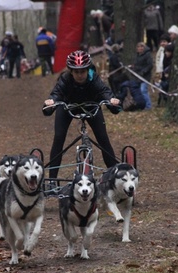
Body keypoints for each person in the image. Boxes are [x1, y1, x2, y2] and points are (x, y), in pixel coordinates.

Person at [42, 50, 121, 181]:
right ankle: (52, 180)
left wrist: (112, 100)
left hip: (91, 107)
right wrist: (51, 102)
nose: (80, 75)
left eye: (83, 71)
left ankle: (115, 177)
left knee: (103, 139)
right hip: (67, 107)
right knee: (59, 138)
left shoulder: (93, 78)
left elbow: (104, 91)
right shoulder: (65, 79)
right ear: (71, 71)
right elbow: (56, 94)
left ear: (88, 69)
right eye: (76, 72)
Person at [131, 42, 153, 110]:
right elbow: (137, 65)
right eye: (138, 47)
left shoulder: (147, 55)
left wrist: (143, 72)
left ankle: (148, 105)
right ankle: (143, 105)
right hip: (138, 76)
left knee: (143, 90)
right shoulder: (137, 56)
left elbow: (150, 65)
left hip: (145, 76)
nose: (140, 48)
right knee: (140, 91)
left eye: (141, 47)